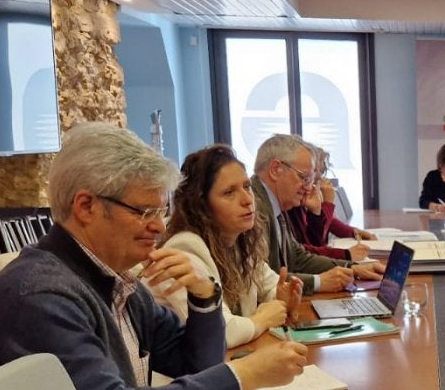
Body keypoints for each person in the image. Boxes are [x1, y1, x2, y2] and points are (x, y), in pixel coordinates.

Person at [0, 123, 309, 390]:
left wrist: (204, 299)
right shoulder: (40, 295)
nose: (158, 226)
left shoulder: (116, 278)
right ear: (86, 206)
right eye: (144, 211)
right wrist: (244, 375)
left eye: (162, 210)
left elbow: (196, 365)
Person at [153, 144, 302, 347]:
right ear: (201, 205)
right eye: (229, 192)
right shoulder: (183, 249)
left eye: (247, 186)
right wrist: (262, 319)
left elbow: (271, 285)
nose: (247, 200)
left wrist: (283, 297)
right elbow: (222, 333)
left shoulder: (238, 238)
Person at [252, 134, 383, 294]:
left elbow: (297, 257)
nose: (309, 188)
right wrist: (319, 282)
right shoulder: (253, 209)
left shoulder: (276, 204)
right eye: (304, 178)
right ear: (275, 170)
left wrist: (352, 268)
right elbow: (263, 280)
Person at [285, 143, 376, 262]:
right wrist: (326, 205)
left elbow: (327, 224)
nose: (312, 187)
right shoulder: (290, 205)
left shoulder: (300, 204)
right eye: (309, 179)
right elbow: (312, 247)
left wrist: (351, 231)